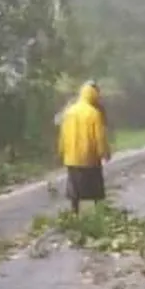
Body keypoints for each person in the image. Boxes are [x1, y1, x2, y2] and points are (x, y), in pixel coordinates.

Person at [58, 81, 110, 214]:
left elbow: (63, 135)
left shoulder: (69, 112)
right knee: (95, 189)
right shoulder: (93, 113)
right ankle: (99, 214)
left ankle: (75, 213)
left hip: (72, 158)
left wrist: (61, 151)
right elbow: (99, 137)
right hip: (90, 159)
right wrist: (104, 153)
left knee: (75, 189)